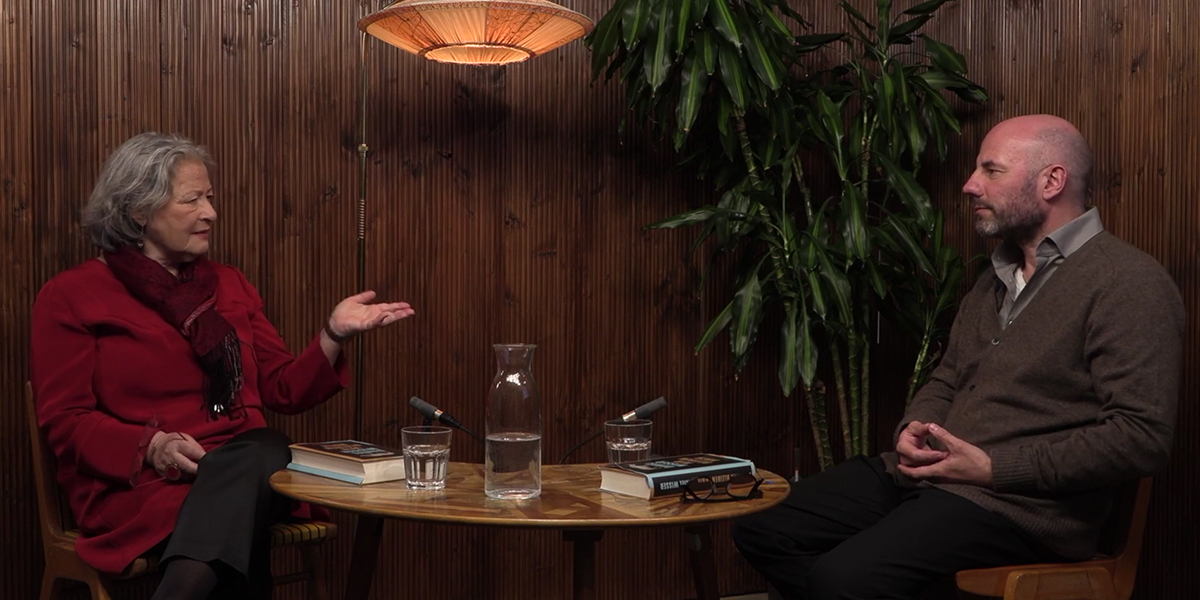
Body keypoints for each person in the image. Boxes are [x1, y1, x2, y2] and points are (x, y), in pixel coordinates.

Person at [732, 114, 1184, 599]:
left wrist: (993, 468)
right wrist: (914, 428)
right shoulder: (996, 277)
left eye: (992, 170)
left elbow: (1140, 438)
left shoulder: (1127, 282)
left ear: (1052, 181)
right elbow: (948, 376)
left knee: (843, 579)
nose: (970, 185)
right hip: (926, 480)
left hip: (1019, 507)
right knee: (761, 524)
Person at [29, 132, 415, 600]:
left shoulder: (230, 284)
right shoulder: (72, 295)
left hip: (251, 469)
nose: (210, 212)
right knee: (242, 507)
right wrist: (152, 446)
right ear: (138, 210)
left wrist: (333, 334)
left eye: (210, 197)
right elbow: (66, 420)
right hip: (146, 487)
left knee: (262, 451)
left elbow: (283, 389)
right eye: (192, 199)